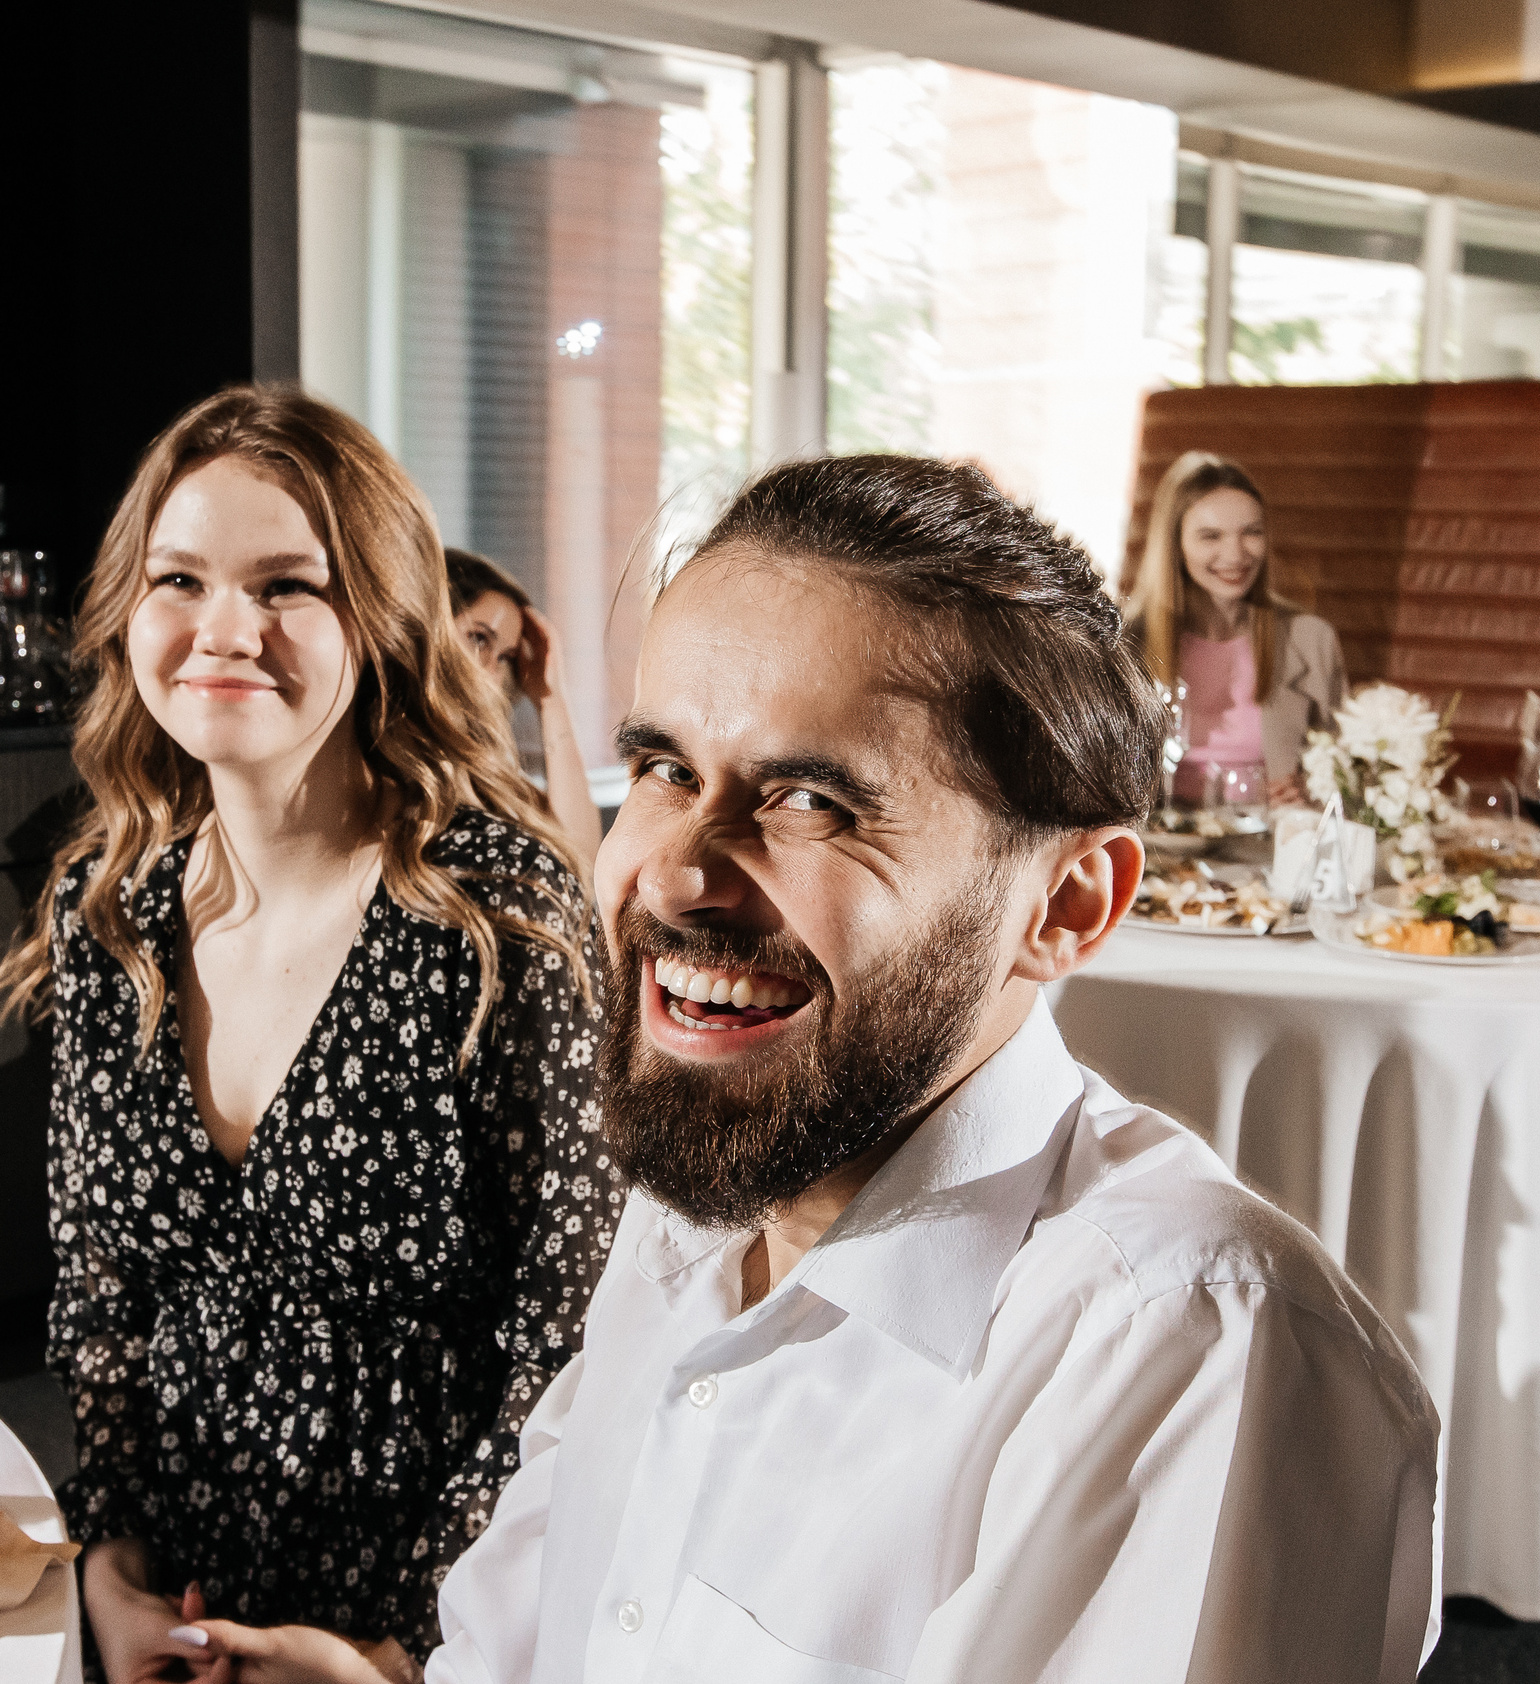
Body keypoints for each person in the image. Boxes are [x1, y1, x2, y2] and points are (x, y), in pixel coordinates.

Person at [184, 454, 1440, 1683]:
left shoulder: (1188, 1349)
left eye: (811, 803)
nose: (671, 871)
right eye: (668, 769)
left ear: (1064, 904)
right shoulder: (706, 1175)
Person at [0, 388, 622, 1683]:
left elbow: (570, 1344)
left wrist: (396, 1655)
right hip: (173, 1611)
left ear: (380, 618)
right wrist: (109, 1570)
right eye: (181, 578)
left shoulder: (498, 915)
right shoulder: (104, 907)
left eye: (286, 586)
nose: (225, 630)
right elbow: (105, 1303)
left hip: (442, 1626)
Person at [1123, 450, 1345, 806]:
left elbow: (1347, 777)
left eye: (1251, 533)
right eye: (1211, 536)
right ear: (1175, 545)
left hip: (1265, 846)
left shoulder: (1311, 639)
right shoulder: (1124, 642)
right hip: (1154, 850)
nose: (1236, 554)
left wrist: (1316, 794)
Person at [444, 549, 600, 875]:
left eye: (506, 656)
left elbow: (582, 862)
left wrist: (550, 696)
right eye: (479, 638)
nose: (490, 670)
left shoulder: (484, 763)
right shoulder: (383, 756)